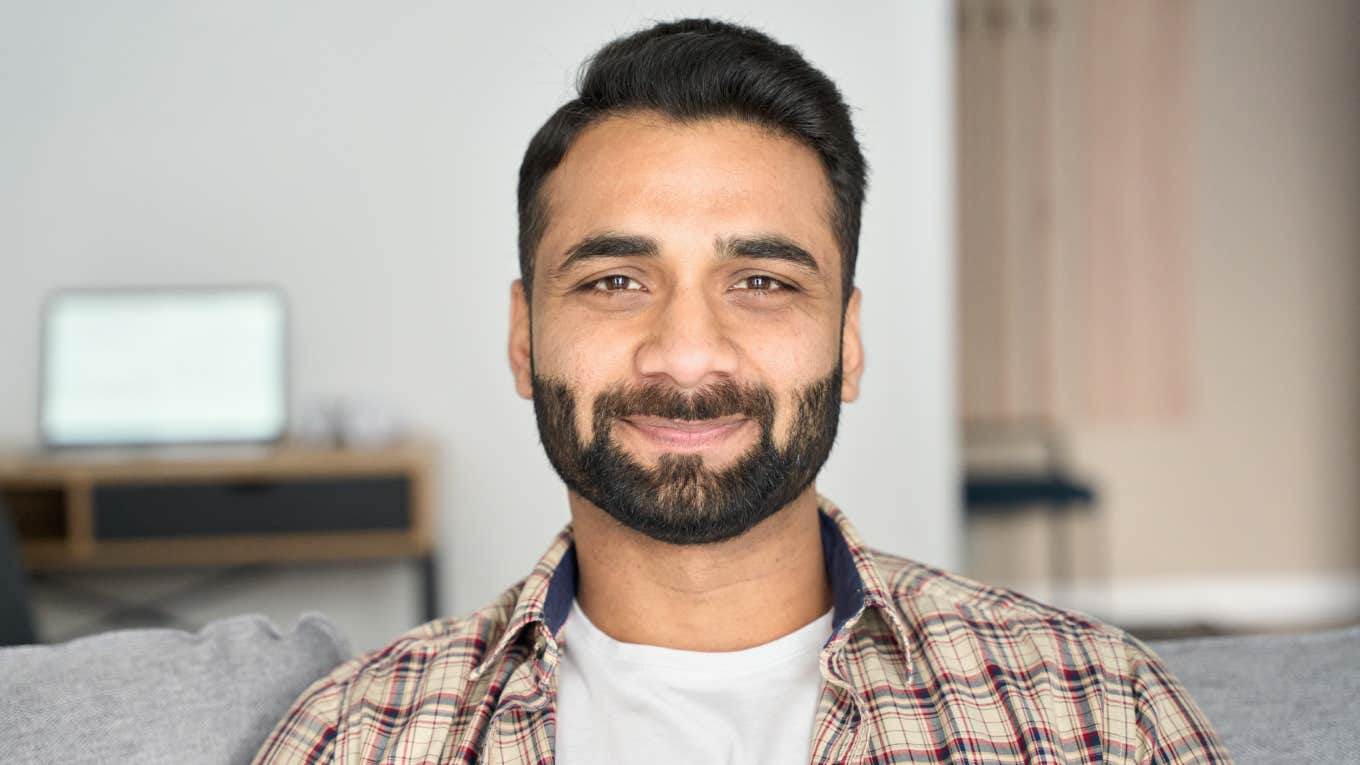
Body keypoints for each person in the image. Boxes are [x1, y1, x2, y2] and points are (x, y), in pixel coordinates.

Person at [254, 18, 1230, 765]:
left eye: (761, 283)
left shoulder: (1095, 712)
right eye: (614, 282)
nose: (685, 355)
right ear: (523, 337)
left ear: (846, 340)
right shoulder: (354, 737)